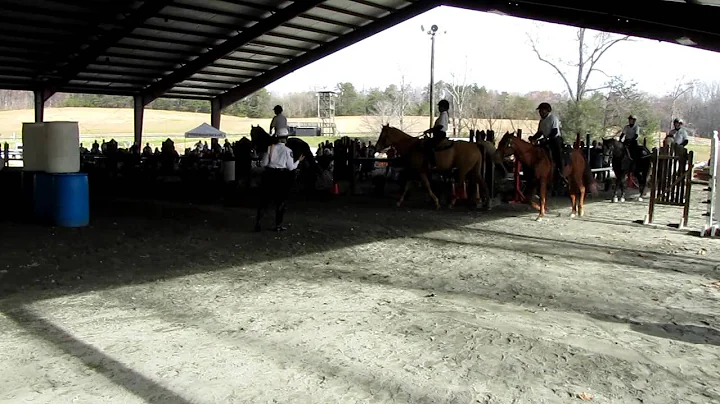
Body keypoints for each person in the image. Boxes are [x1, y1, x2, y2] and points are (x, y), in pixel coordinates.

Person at [254, 132, 304, 232]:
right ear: (286, 138)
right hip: (281, 176)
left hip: (269, 175)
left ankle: (258, 223)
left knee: (264, 200)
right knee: (281, 201)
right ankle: (278, 225)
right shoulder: (288, 150)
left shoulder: (270, 148)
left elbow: (264, 163)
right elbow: (291, 167)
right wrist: (298, 161)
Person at [529, 102, 565, 183]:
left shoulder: (553, 118)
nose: (540, 113)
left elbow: (555, 131)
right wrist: (533, 138)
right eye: (540, 111)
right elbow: (540, 132)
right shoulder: (541, 121)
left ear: (547, 111)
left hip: (555, 139)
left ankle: (561, 172)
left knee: (558, 154)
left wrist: (547, 139)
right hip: (546, 140)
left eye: (542, 111)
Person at [423, 99, 450, 167]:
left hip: (440, 134)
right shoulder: (443, 114)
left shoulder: (443, 115)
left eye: (439, 106)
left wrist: (430, 131)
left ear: (443, 107)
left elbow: (440, 126)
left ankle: (433, 163)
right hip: (439, 134)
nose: (438, 108)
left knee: (428, 145)